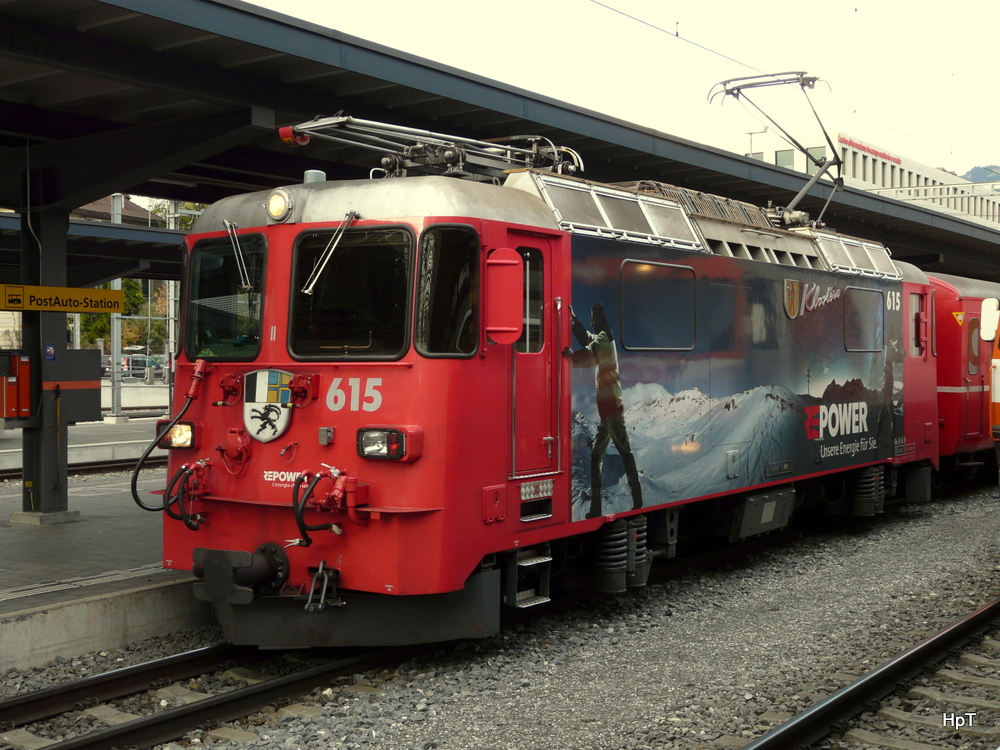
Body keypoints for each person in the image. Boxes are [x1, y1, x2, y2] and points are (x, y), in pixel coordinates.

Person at [569, 303, 642, 518]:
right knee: (596, 455)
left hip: (612, 410)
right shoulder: (603, 337)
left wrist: (570, 357)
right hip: (607, 412)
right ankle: (596, 508)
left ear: (600, 318)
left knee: (625, 453)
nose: (592, 321)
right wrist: (574, 322)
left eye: (593, 318)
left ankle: (637, 502)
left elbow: (589, 354)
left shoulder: (604, 340)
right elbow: (587, 339)